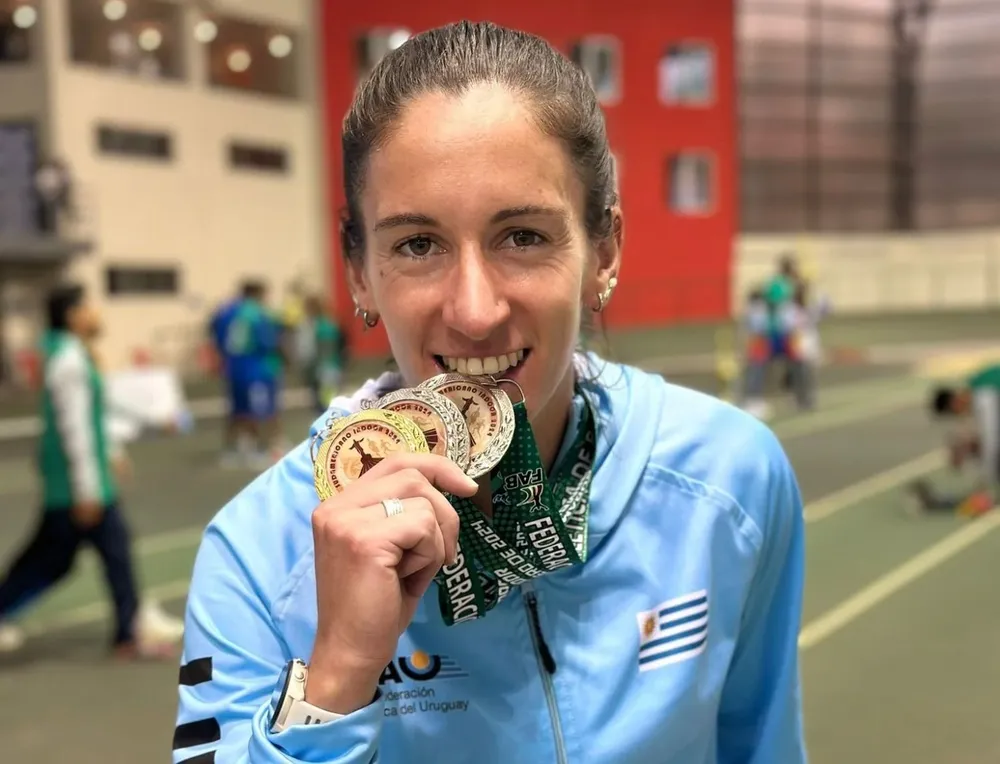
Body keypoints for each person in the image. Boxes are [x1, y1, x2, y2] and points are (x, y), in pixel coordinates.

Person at [173, 21, 807, 764]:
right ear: (359, 273)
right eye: (418, 244)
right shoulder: (256, 553)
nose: (475, 311)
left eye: (523, 237)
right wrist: (338, 676)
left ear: (604, 251)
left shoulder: (729, 478)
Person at [0, 284, 176, 659]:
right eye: (88, 307)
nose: (96, 313)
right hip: (74, 486)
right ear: (72, 315)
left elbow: (94, 413)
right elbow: (75, 427)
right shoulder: (69, 361)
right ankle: (129, 632)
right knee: (80, 554)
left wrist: (111, 450)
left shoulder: (72, 355)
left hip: (75, 483)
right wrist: (87, 489)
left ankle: (130, 626)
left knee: (70, 556)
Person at [907, 367, 1000, 517]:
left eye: (956, 413)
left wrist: (985, 480)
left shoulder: (983, 395)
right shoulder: (978, 385)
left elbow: (992, 442)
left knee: (983, 450)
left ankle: (986, 496)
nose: (962, 416)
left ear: (954, 403)